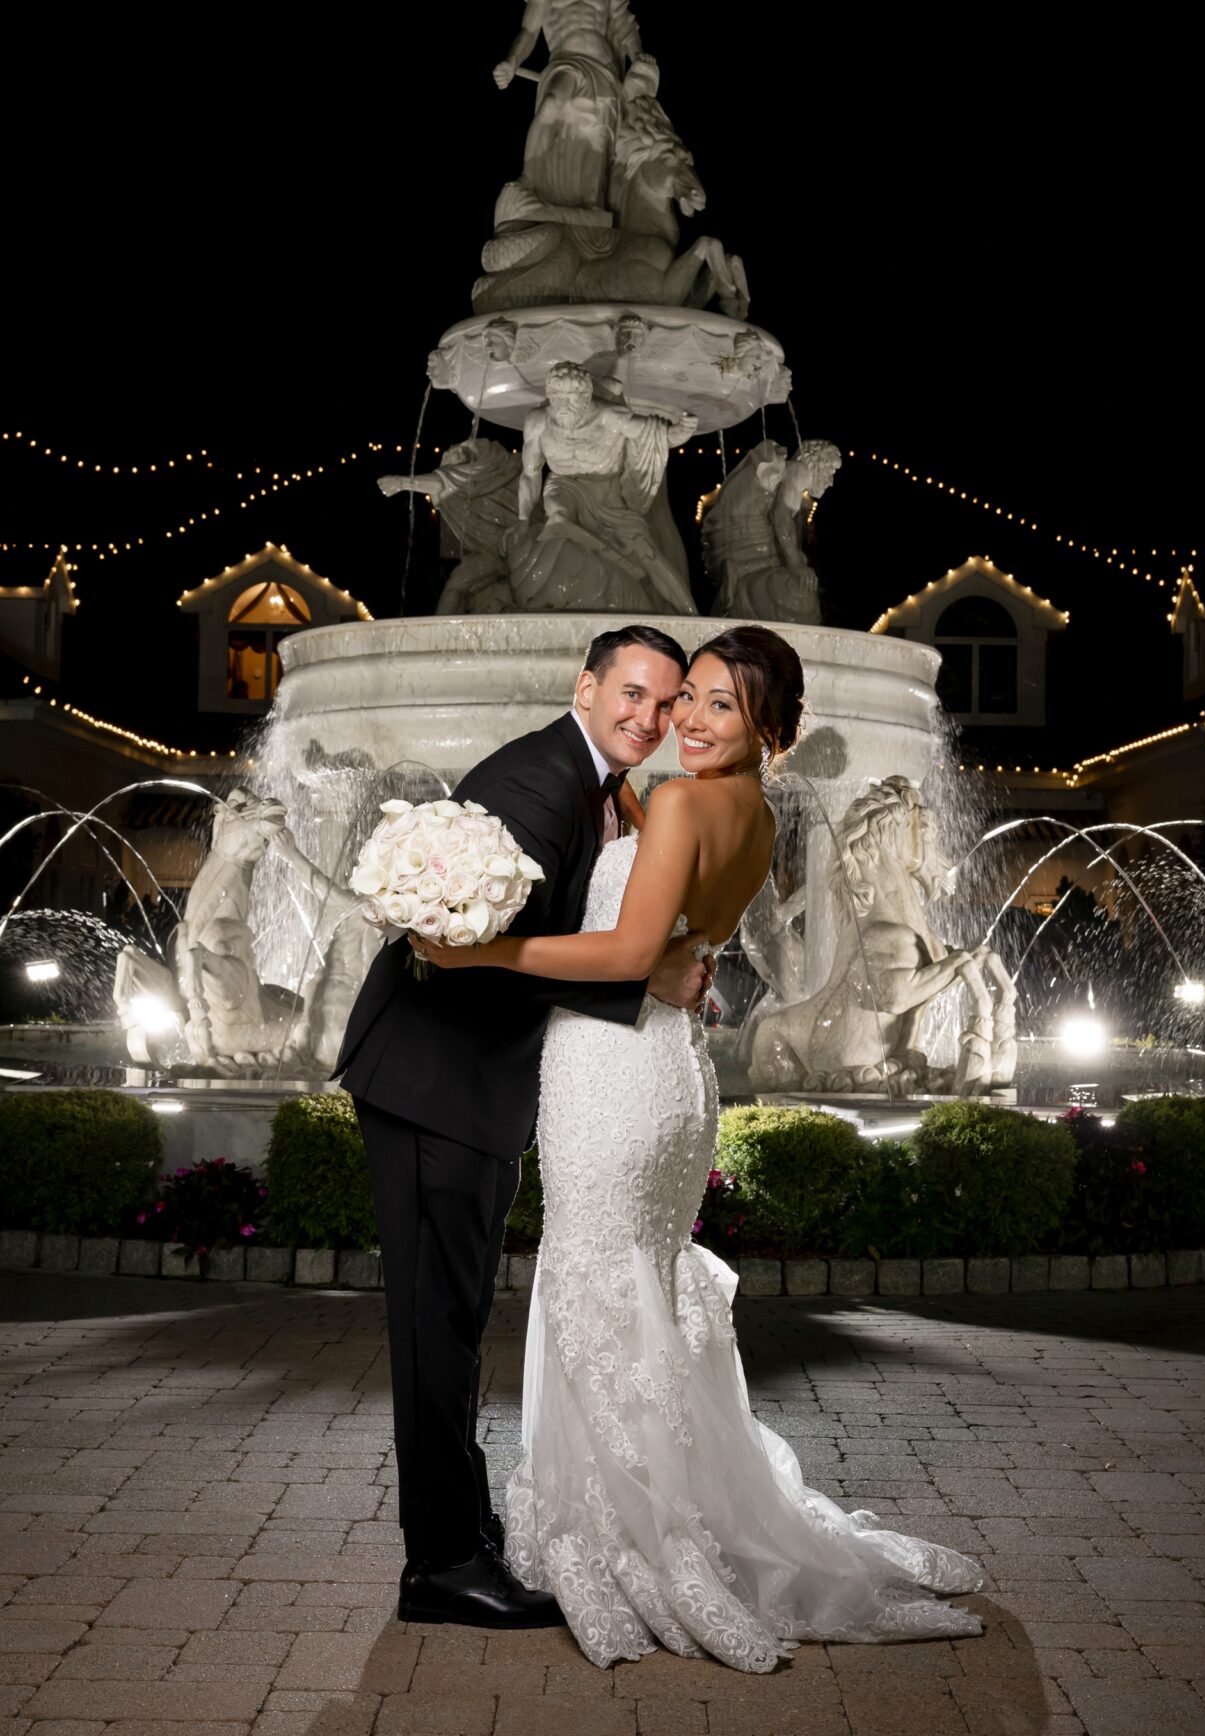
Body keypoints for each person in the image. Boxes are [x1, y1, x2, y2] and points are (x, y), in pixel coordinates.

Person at [414, 625, 988, 1669]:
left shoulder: (676, 800)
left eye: (721, 703)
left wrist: (475, 948)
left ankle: (627, 1533)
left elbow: (634, 950)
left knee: (597, 1284)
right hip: (676, 1077)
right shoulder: (752, 815)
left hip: (609, 1070)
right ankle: (668, 1508)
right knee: (645, 1288)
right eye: (692, 697)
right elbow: (678, 934)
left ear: (770, 727)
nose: (688, 717)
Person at [333, 624, 713, 1631]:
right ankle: (443, 1564)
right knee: (434, 1327)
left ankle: (463, 1534)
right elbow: (486, 947)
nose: (651, 717)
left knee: (450, 1321)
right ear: (585, 686)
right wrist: (647, 977)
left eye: (667, 703)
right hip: (434, 1080)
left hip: (472, 1088)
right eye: (633, 692)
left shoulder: (595, 784)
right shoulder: (541, 782)